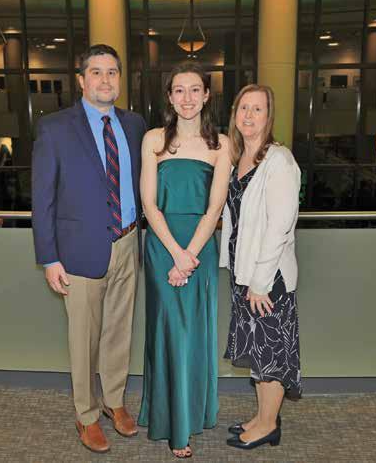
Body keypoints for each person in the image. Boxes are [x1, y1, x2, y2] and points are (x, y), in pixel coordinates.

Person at [31, 44, 147, 454]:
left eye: (112, 72)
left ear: (120, 79)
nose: (105, 80)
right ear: (81, 80)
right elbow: (42, 198)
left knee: (119, 330)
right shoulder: (55, 128)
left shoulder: (135, 125)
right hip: (79, 251)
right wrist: (49, 257)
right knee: (84, 338)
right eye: (96, 72)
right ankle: (86, 414)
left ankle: (114, 401)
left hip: (128, 242)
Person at [138, 61, 231, 458]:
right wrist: (176, 255)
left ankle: (189, 415)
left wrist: (189, 255)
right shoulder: (153, 139)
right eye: (179, 90)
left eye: (195, 90)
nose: (187, 98)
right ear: (170, 97)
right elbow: (148, 203)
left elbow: (215, 208)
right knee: (168, 330)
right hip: (162, 247)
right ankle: (171, 423)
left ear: (207, 95)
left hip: (200, 247)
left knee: (193, 331)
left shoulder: (222, 144)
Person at [221, 84, 302, 450]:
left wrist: (260, 281)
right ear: (235, 114)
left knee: (271, 352)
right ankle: (262, 416)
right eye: (244, 108)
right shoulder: (239, 157)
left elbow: (280, 225)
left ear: (269, 117)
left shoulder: (279, 160)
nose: (249, 115)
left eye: (257, 109)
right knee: (257, 350)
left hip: (268, 278)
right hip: (246, 271)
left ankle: (268, 424)